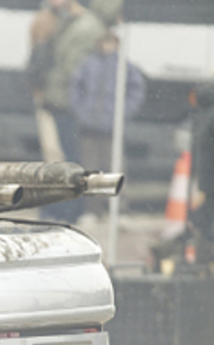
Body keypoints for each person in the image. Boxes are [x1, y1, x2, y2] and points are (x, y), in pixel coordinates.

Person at [29, 0, 105, 222]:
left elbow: (71, 68)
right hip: (61, 100)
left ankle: (66, 209)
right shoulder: (69, 23)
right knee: (64, 155)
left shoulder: (83, 27)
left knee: (68, 157)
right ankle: (62, 208)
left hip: (66, 103)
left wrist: (49, 82)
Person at [69, 31, 145, 216]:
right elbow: (75, 87)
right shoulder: (89, 63)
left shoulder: (123, 66)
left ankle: (119, 209)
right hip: (89, 126)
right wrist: (81, 111)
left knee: (115, 167)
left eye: (111, 42)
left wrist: (123, 112)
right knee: (90, 169)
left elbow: (137, 89)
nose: (107, 46)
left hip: (112, 128)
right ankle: (93, 209)